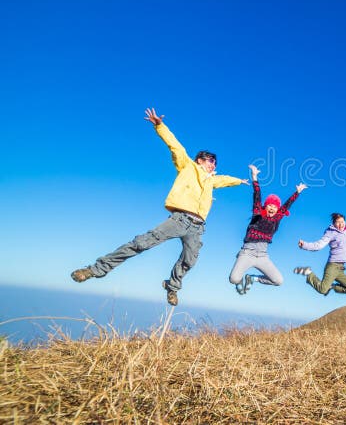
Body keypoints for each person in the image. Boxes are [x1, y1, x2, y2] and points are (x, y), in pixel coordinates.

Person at [70, 108, 248, 306]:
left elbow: (224, 180)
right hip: (180, 219)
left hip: (198, 227)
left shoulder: (211, 181)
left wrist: (240, 181)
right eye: (210, 160)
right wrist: (159, 125)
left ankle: (171, 287)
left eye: (215, 162)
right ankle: (95, 270)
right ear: (200, 160)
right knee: (141, 243)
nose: (213, 164)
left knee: (190, 260)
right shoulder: (188, 167)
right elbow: (175, 145)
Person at [229, 164, 307, 295]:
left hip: (263, 256)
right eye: (270, 205)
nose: (272, 208)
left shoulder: (276, 219)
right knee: (234, 279)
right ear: (266, 206)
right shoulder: (257, 213)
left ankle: (252, 278)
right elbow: (257, 196)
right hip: (247, 252)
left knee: (278, 280)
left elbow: (286, 206)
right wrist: (254, 177)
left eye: (275, 207)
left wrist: (297, 193)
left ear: (277, 210)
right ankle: (241, 268)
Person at [293, 199, 346, 295]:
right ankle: (309, 274)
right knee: (323, 290)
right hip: (332, 266)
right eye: (338, 222)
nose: (341, 224)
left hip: (341, 269)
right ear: (334, 223)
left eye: (342, 222)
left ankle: (332, 287)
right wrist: (305, 245)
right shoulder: (330, 233)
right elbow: (318, 245)